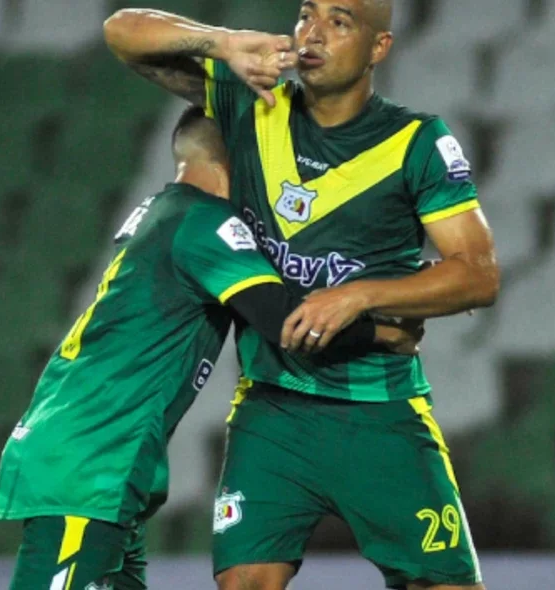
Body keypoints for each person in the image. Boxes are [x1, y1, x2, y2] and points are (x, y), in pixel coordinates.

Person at [104, 2, 501, 589]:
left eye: (339, 22)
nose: (312, 33)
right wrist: (224, 42)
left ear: (378, 48)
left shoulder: (415, 142)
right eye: (306, 14)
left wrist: (358, 295)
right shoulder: (250, 103)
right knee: (244, 583)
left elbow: (479, 275)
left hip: (378, 413)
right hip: (274, 408)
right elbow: (123, 34)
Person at [0, 106, 423, 590]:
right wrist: (386, 332)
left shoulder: (161, 211)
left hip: (99, 456)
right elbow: (283, 319)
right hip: (91, 464)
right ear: (239, 157)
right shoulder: (206, 222)